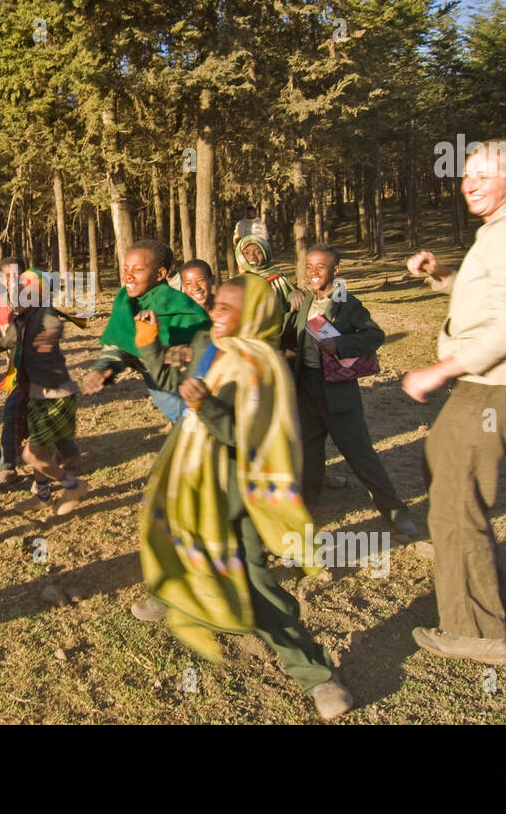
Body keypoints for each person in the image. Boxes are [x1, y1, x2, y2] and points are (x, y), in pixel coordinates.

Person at [135, 275, 353, 720]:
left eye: (227, 308)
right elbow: (165, 375)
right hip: (193, 479)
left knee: (254, 584)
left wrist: (207, 407)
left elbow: (248, 439)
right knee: (173, 540)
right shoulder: (207, 345)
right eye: (215, 305)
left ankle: (317, 677)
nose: (215, 313)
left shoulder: (262, 367)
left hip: (239, 494)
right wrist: (148, 344)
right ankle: (174, 595)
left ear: (252, 314)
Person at [403, 140, 506, 667]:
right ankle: (500, 587)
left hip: (495, 386)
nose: (469, 183)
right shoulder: (504, 232)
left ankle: (475, 630)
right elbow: (489, 301)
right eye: (466, 174)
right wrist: (441, 276)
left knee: (455, 503)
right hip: (493, 385)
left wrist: (441, 369)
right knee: (445, 477)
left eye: (484, 174)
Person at [283, 244, 417, 537]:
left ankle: (395, 511)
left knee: (359, 453)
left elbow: (374, 335)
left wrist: (340, 344)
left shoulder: (347, 303)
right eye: (309, 267)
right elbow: (287, 333)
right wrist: (290, 301)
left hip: (337, 392)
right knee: (308, 450)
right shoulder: (304, 299)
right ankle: (308, 501)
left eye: (321, 267)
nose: (314, 273)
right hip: (305, 388)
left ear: (336, 270)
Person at [0, 256, 78, 483]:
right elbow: (0, 338)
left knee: (38, 418)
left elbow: (54, 325)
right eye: (9, 277)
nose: (14, 282)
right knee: (17, 416)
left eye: (18, 276)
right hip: (18, 374)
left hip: (43, 378)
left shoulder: (38, 305)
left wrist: (48, 339)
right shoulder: (0, 305)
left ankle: (62, 457)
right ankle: (8, 467)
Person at [81, 240, 211, 425]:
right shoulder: (124, 302)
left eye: (138, 270)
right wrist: (104, 368)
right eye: (126, 269)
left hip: (189, 391)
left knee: (199, 433)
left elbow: (204, 348)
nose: (129, 277)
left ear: (160, 274)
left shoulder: (180, 305)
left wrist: (171, 353)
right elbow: (119, 342)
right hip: (161, 393)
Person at [4, 268, 88, 517]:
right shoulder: (22, 320)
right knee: (36, 451)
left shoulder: (44, 316)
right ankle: (42, 496)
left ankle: (74, 485)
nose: (16, 299)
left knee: (31, 455)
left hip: (53, 398)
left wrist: (47, 338)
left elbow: (55, 326)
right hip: (33, 395)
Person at [235, 234, 302, 314]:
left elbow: (289, 295)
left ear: (266, 253)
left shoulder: (277, 277)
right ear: (240, 256)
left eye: (258, 252)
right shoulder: (236, 284)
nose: (252, 256)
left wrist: (294, 294)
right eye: (246, 253)